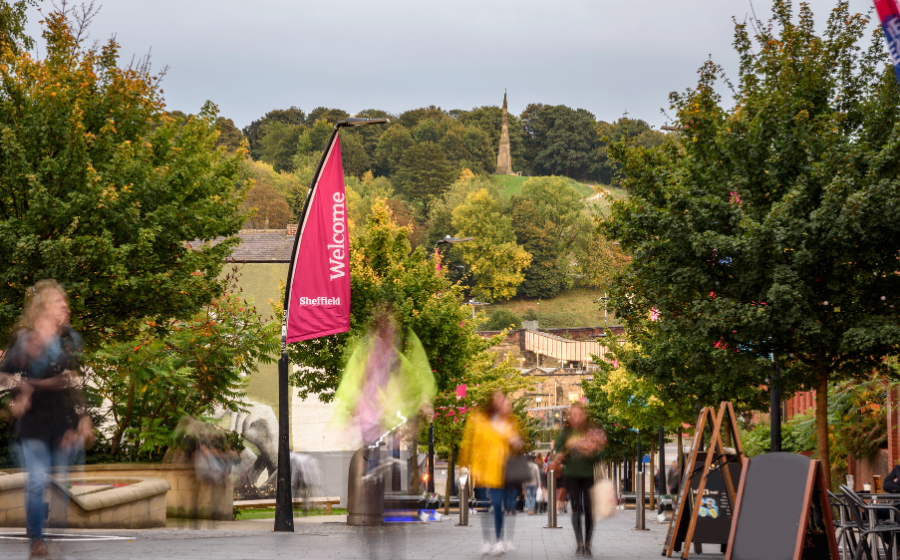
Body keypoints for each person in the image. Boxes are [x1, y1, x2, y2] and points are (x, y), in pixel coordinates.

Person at [0, 281, 93, 559]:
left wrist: (83, 418)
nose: (65, 307)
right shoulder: (24, 341)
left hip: (62, 424)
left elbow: (75, 383)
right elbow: (5, 376)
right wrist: (18, 394)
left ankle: (49, 537)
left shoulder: (69, 341)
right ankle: (37, 541)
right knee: (38, 481)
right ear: (43, 309)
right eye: (59, 303)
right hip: (33, 424)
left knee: (60, 483)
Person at [459, 391, 521, 556]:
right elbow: (470, 443)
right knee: (484, 507)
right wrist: (464, 463)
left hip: (498, 470)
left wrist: (514, 440)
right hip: (481, 470)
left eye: (503, 400)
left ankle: (499, 541)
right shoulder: (478, 419)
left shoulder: (506, 421)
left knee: (498, 505)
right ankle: (486, 540)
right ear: (492, 402)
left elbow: (515, 441)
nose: (502, 403)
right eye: (499, 399)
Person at [553, 402, 606, 557]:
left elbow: (602, 453)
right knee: (575, 506)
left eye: (579, 414)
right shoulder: (566, 431)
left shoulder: (591, 430)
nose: (576, 418)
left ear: (584, 415)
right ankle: (579, 542)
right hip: (572, 474)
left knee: (589, 508)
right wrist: (561, 454)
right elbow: (557, 449)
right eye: (573, 415)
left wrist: (593, 452)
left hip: (589, 474)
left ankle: (588, 543)